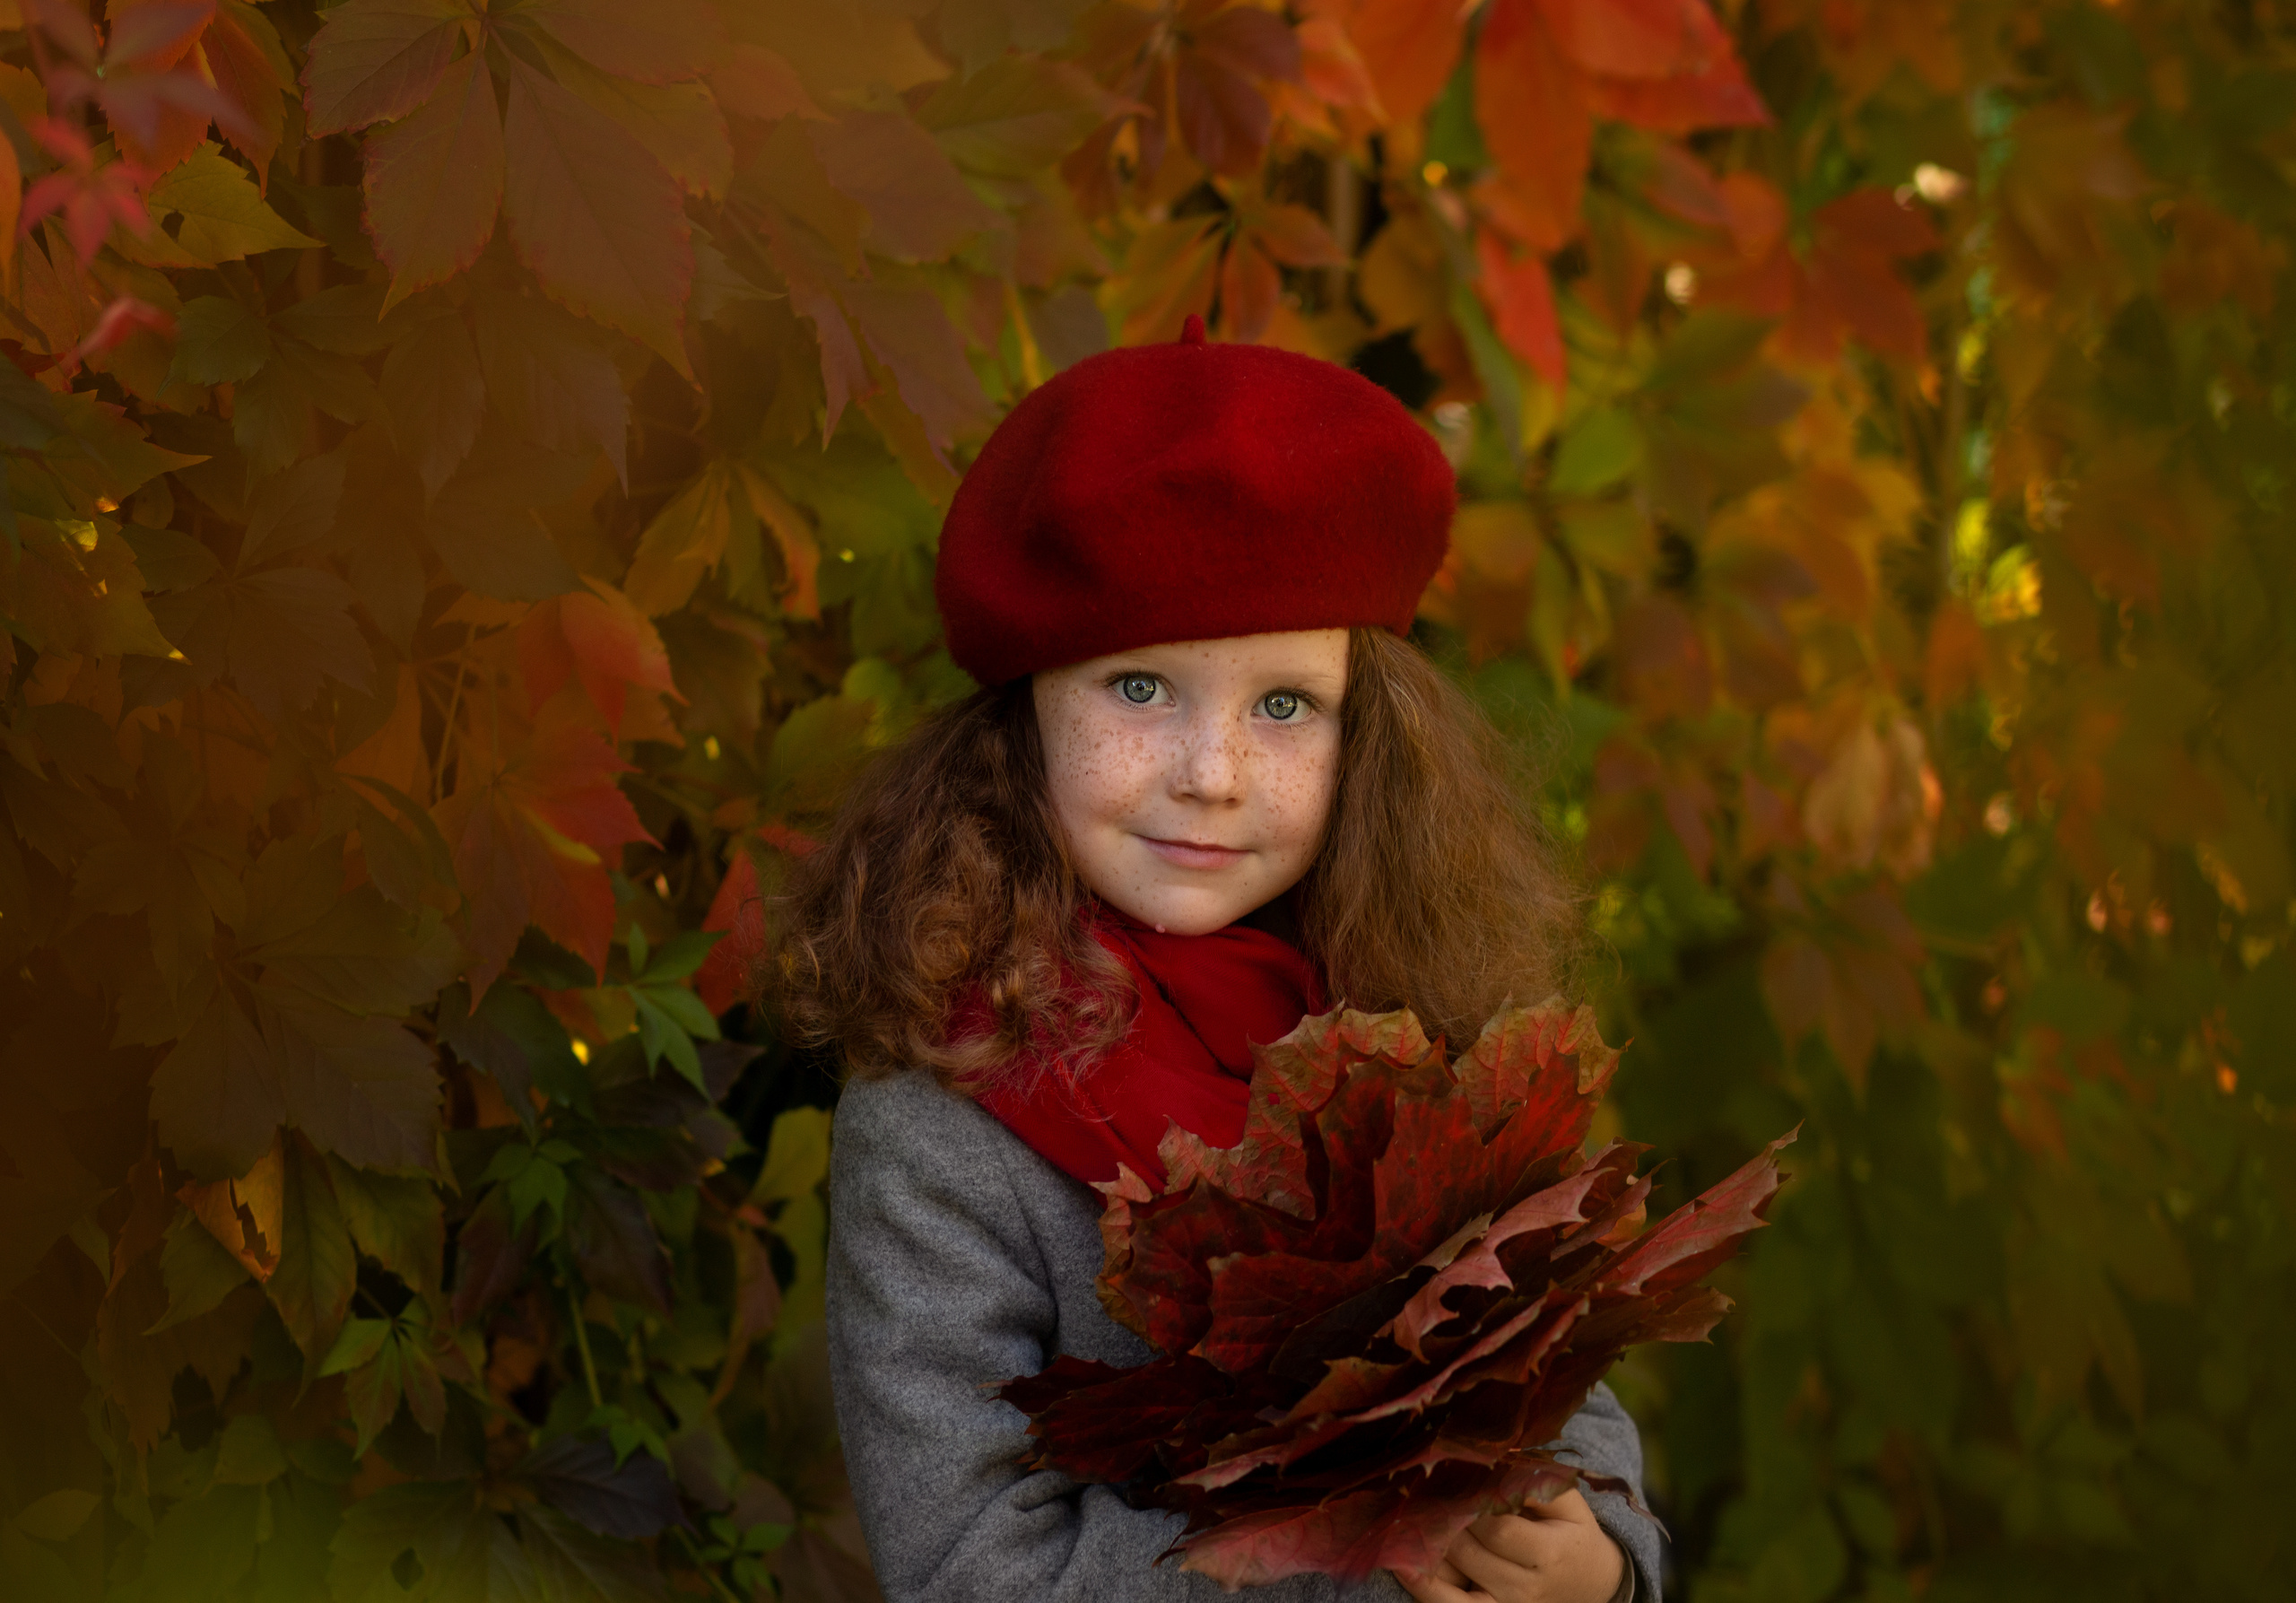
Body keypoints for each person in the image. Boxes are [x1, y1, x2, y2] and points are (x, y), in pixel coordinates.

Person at [777, 317, 1658, 1603]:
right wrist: (1367, 1549)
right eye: (1140, 688)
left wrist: (1601, 1565)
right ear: (1025, 714)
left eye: (1285, 705)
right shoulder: (945, 1121)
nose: (1213, 773)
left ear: (1369, 742)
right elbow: (969, 1564)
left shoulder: (1416, 1024)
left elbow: (1548, 1371)